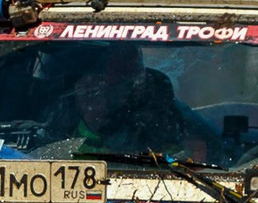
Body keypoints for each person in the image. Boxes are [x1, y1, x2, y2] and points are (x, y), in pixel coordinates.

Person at [58, 45, 212, 160]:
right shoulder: (64, 128)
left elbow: (184, 155)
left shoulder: (160, 112)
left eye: (130, 68)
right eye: (117, 67)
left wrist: (192, 153)